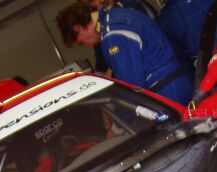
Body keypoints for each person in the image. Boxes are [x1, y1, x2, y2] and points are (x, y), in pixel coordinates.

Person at [56, 1, 193, 105]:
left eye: (82, 42)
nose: (90, 45)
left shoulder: (113, 33)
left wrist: (118, 127)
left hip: (167, 92)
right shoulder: (115, 17)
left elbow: (132, 86)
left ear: (78, 28)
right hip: (174, 84)